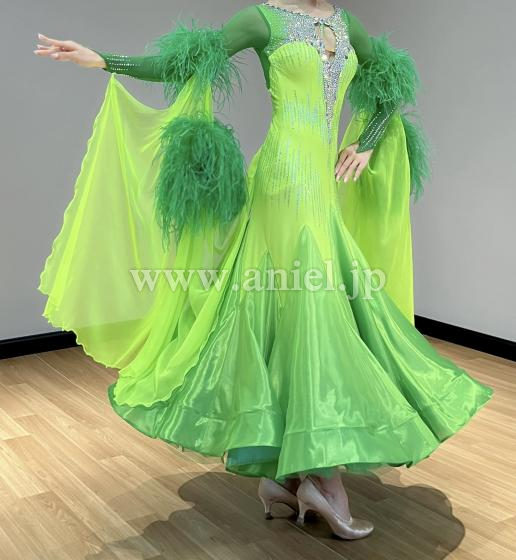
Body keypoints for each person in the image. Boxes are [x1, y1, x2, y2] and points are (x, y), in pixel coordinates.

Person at [34, 1, 492, 540]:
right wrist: (104, 59)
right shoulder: (263, 18)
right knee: (311, 310)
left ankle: (285, 477)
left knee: (297, 312)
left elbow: (390, 87)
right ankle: (323, 477)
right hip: (283, 179)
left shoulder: (345, 23)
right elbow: (188, 62)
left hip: (320, 183)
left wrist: (366, 143)